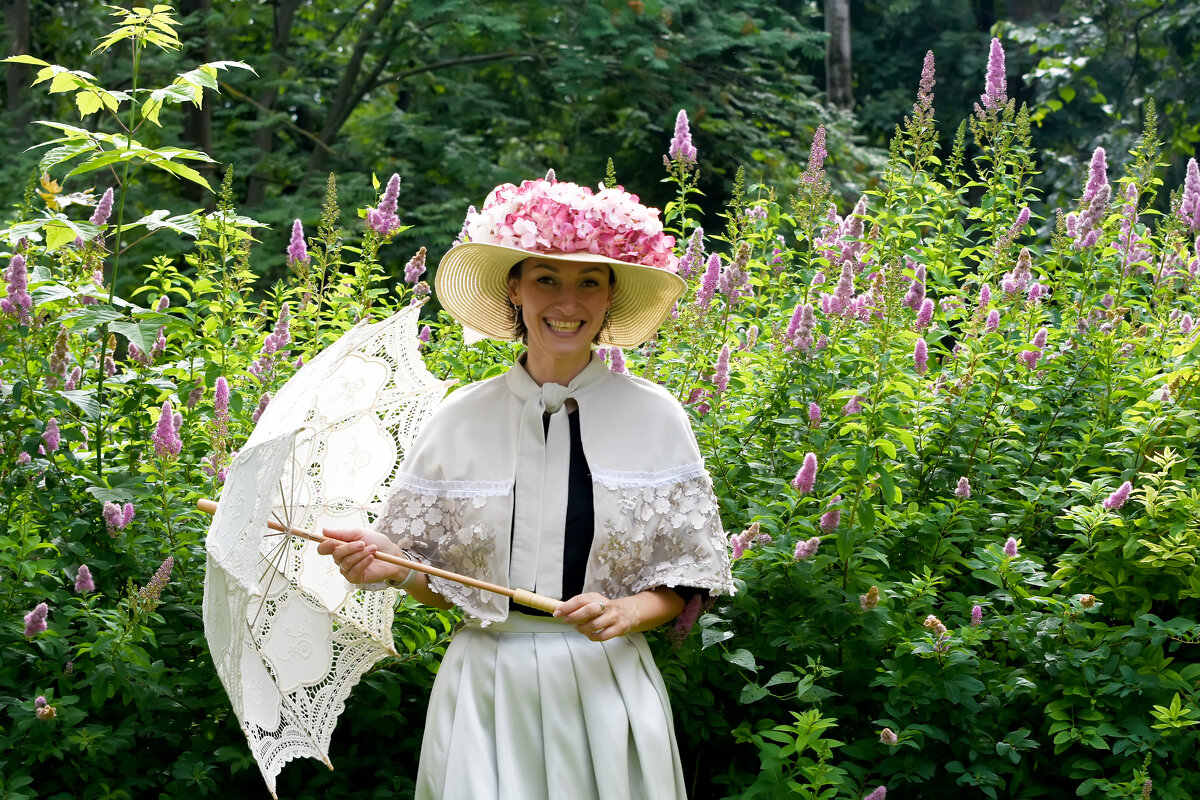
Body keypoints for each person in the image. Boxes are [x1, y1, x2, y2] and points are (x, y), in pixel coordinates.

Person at [318, 176, 734, 800]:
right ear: (514, 287)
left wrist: (626, 611)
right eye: (546, 278)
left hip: (606, 687)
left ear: (610, 295)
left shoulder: (657, 418)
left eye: (589, 281)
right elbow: (436, 580)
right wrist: (387, 567)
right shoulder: (459, 418)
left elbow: (682, 580)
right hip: (486, 687)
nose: (567, 302)